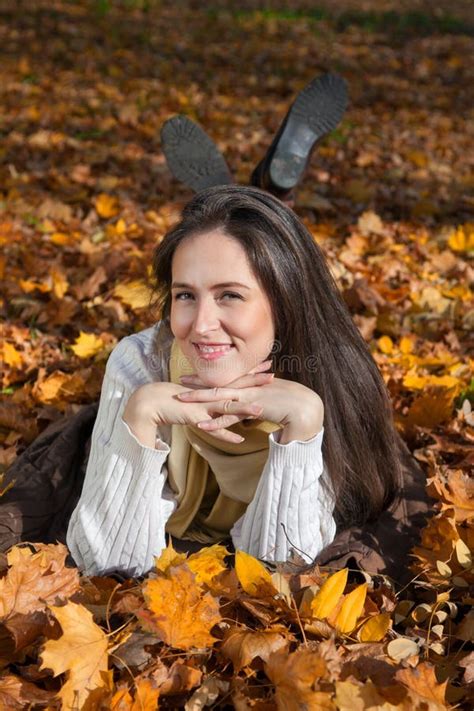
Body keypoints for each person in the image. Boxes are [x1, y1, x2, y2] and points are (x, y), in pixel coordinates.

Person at [66, 184, 402, 577]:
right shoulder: (141, 363)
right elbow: (102, 566)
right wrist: (141, 414)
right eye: (186, 296)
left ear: (285, 301)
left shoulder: (326, 378)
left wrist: (304, 423)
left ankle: (275, 185)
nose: (202, 326)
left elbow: (280, 570)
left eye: (230, 296)